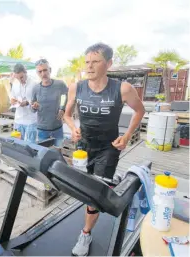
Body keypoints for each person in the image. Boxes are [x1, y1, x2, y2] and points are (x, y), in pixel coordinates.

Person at [63, 43, 145, 256]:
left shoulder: (122, 88)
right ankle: (107, 182)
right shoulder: (76, 87)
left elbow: (140, 111)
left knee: (94, 194)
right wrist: (73, 128)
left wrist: (126, 136)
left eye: (95, 61)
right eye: (87, 62)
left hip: (108, 148)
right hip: (83, 146)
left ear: (108, 63)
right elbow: (67, 114)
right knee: (83, 185)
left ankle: (86, 233)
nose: (89, 66)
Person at [31, 59, 68, 147]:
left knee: (59, 153)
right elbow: (32, 108)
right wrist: (34, 107)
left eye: (45, 70)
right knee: (44, 154)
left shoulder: (60, 84)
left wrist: (63, 108)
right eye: (40, 71)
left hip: (57, 127)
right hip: (42, 129)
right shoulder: (35, 88)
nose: (43, 74)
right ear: (37, 73)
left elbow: (68, 96)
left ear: (50, 70)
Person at [10, 63, 38, 143]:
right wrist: (12, 100)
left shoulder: (34, 83)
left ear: (25, 72)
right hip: (18, 120)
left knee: (31, 145)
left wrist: (28, 102)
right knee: (16, 143)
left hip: (31, 120)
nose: (20, 80)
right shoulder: (15, 83)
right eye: (17, 78)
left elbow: (38, 100)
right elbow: (12, 96)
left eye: (21, 77)